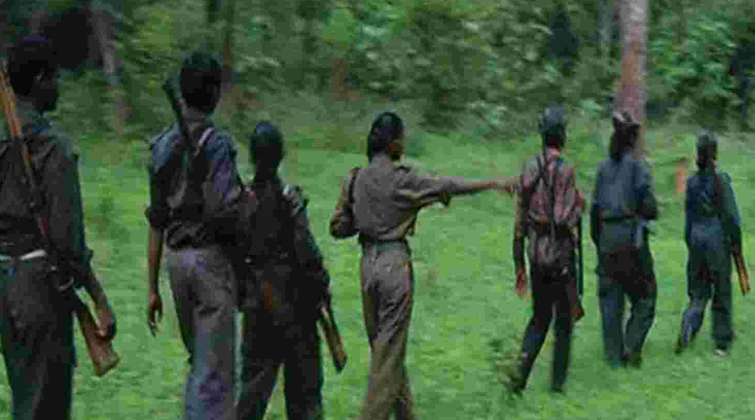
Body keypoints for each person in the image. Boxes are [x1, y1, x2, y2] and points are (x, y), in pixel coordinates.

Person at [329, 112, 510, 420]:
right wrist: (492, 183)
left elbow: (337, 227)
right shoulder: (404, 179)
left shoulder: (355, 178)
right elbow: (449, 185)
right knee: (388, 356)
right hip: (394, 266)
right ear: (393, 143)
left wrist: (366, 216)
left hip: (367, 267)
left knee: (385, 350)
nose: (404, 143)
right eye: (401, 138)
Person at [0, 35, 116, 420]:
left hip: (5, 286)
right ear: (38, 80)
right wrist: (98, 298)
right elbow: (68, 243)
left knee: (26, 398)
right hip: (39, 290)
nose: (58, 87)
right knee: (45, 408)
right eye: (54, 78)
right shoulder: (53, 147)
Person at [145, 51, 245, 420]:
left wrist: (152, 287)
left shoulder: (161, 145)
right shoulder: (217, 144)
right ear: (214, 93)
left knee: (201, 365)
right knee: (214, 375)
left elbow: (157, 220)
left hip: (176, 263)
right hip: (210, 262)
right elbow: (225, 213)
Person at [237, 121, 331, 420]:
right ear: (281, 155)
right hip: (296, 307)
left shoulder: (242, 201)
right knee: (305, 396)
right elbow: (307, 253)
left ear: (252, 156)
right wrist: (322, 287)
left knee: (251, 392)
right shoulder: (291, 199)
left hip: (257, 305)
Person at [507, 107, 586, 394]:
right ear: (561, 134)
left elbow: (519, 223)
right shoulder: (565, 170)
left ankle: (517, 378)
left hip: (535, 256)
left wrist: (519, 264)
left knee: (539, 318)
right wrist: (580, 207)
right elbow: (565, 218)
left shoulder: (529, 167)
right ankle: (557, 386)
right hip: (560, 257)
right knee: (563, 322)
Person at [589, 110, 658, 368]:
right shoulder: (639, 168)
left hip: (607, 241)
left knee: (610, 299)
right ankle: (631, 345)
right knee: (646, 296)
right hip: (631, 241)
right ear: (632, 139)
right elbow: (650, 208)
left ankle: (613, 357)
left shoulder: (602, 170)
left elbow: (594, 212)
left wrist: (600, 242)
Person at [675, 130, 741, 356]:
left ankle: (687, 327)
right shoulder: (721, 179)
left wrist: (690, 242)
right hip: (717, 242)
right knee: (721, 292)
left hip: (696, 241)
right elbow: (731, 217)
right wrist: (736, 245)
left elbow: (688, 218)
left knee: (698, 293)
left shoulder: (692, 182)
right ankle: (722, 343)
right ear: (715, 153)